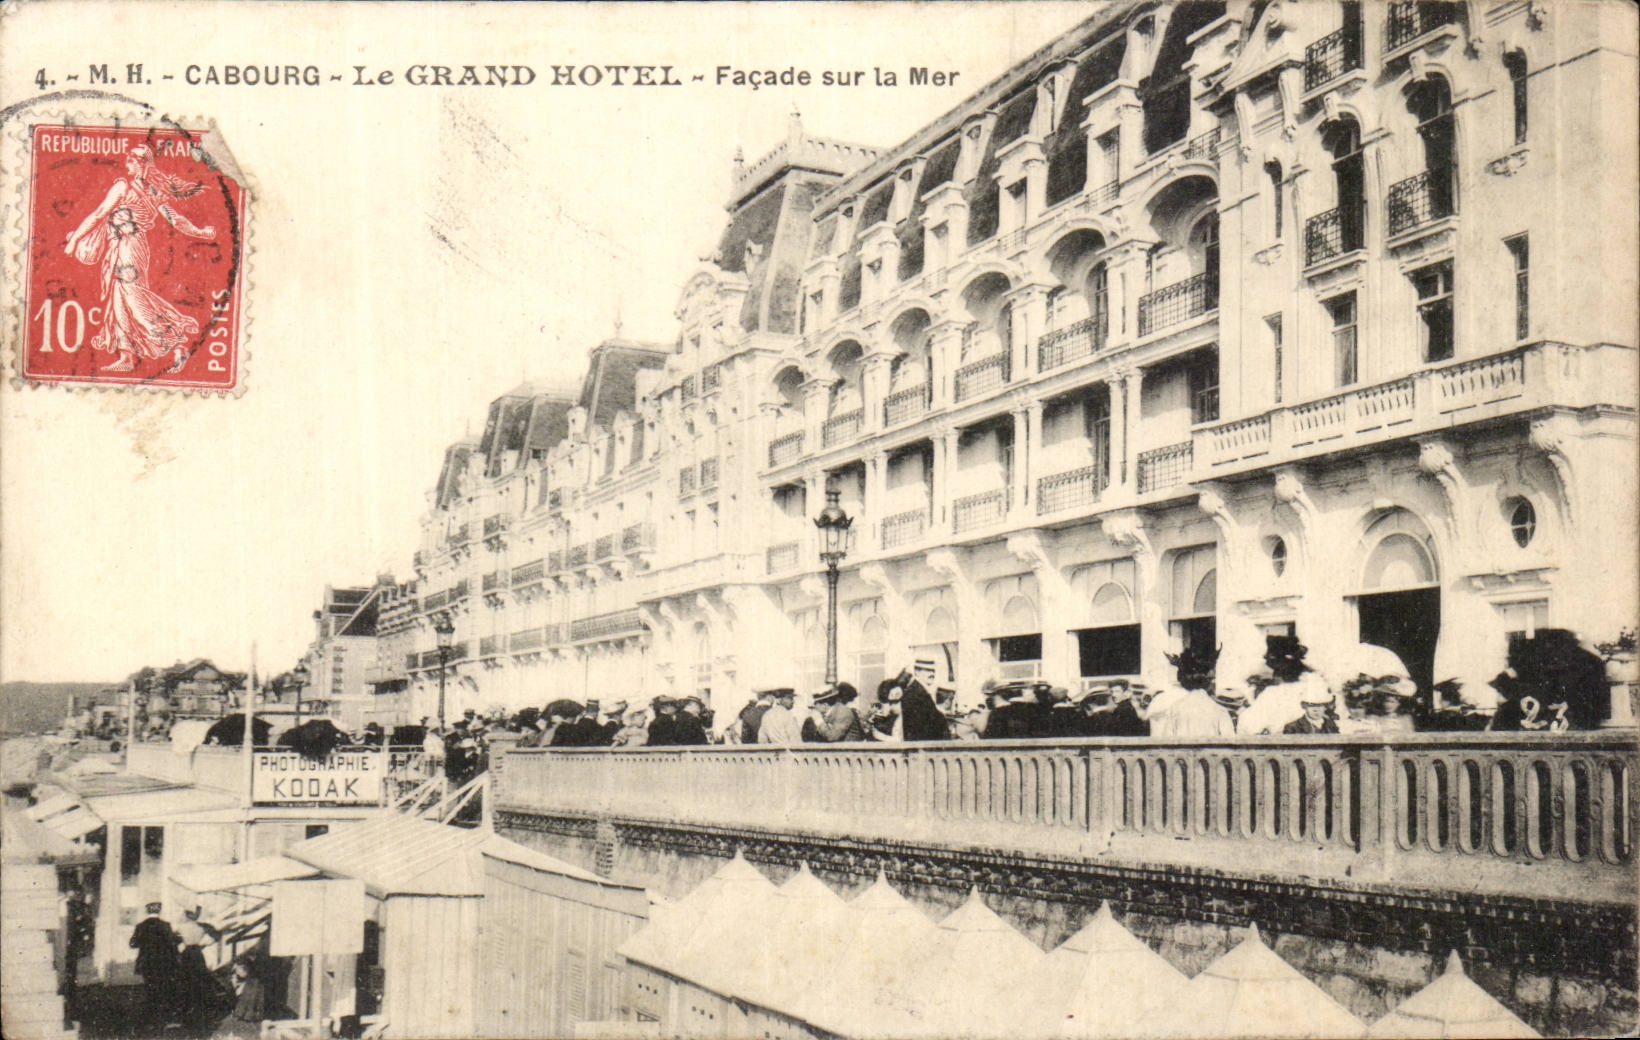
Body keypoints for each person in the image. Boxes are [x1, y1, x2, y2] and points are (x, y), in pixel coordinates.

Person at [64, 145, 217, 373]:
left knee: (133, 298)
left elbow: (99, 214)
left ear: (140, 163)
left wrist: (74, 240)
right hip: (127, 247)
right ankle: (126, 357)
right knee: (119, 302)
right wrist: (201, 232)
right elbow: (177, 221)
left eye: (131, 160)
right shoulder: (154, 191)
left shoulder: (123, 187)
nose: (127, 164)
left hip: (129, 247)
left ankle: (175, 341)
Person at [130, 901, 181, 1026]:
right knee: (165, 989)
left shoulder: (140, 926)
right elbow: (173, 943)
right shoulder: (166, 925)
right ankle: (165, 1018)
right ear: (159, 911)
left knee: (150, 988)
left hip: (147, 963)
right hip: (164, 963)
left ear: (147, 911)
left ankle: (151, 1020)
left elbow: (132, 944)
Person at [804, 683, 869, 742]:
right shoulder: (829, 713)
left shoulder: (843, 712)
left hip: (848, 753)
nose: (814, 708)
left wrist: (818, 720)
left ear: (825, 705)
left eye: (815, 704)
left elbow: (832, 736)